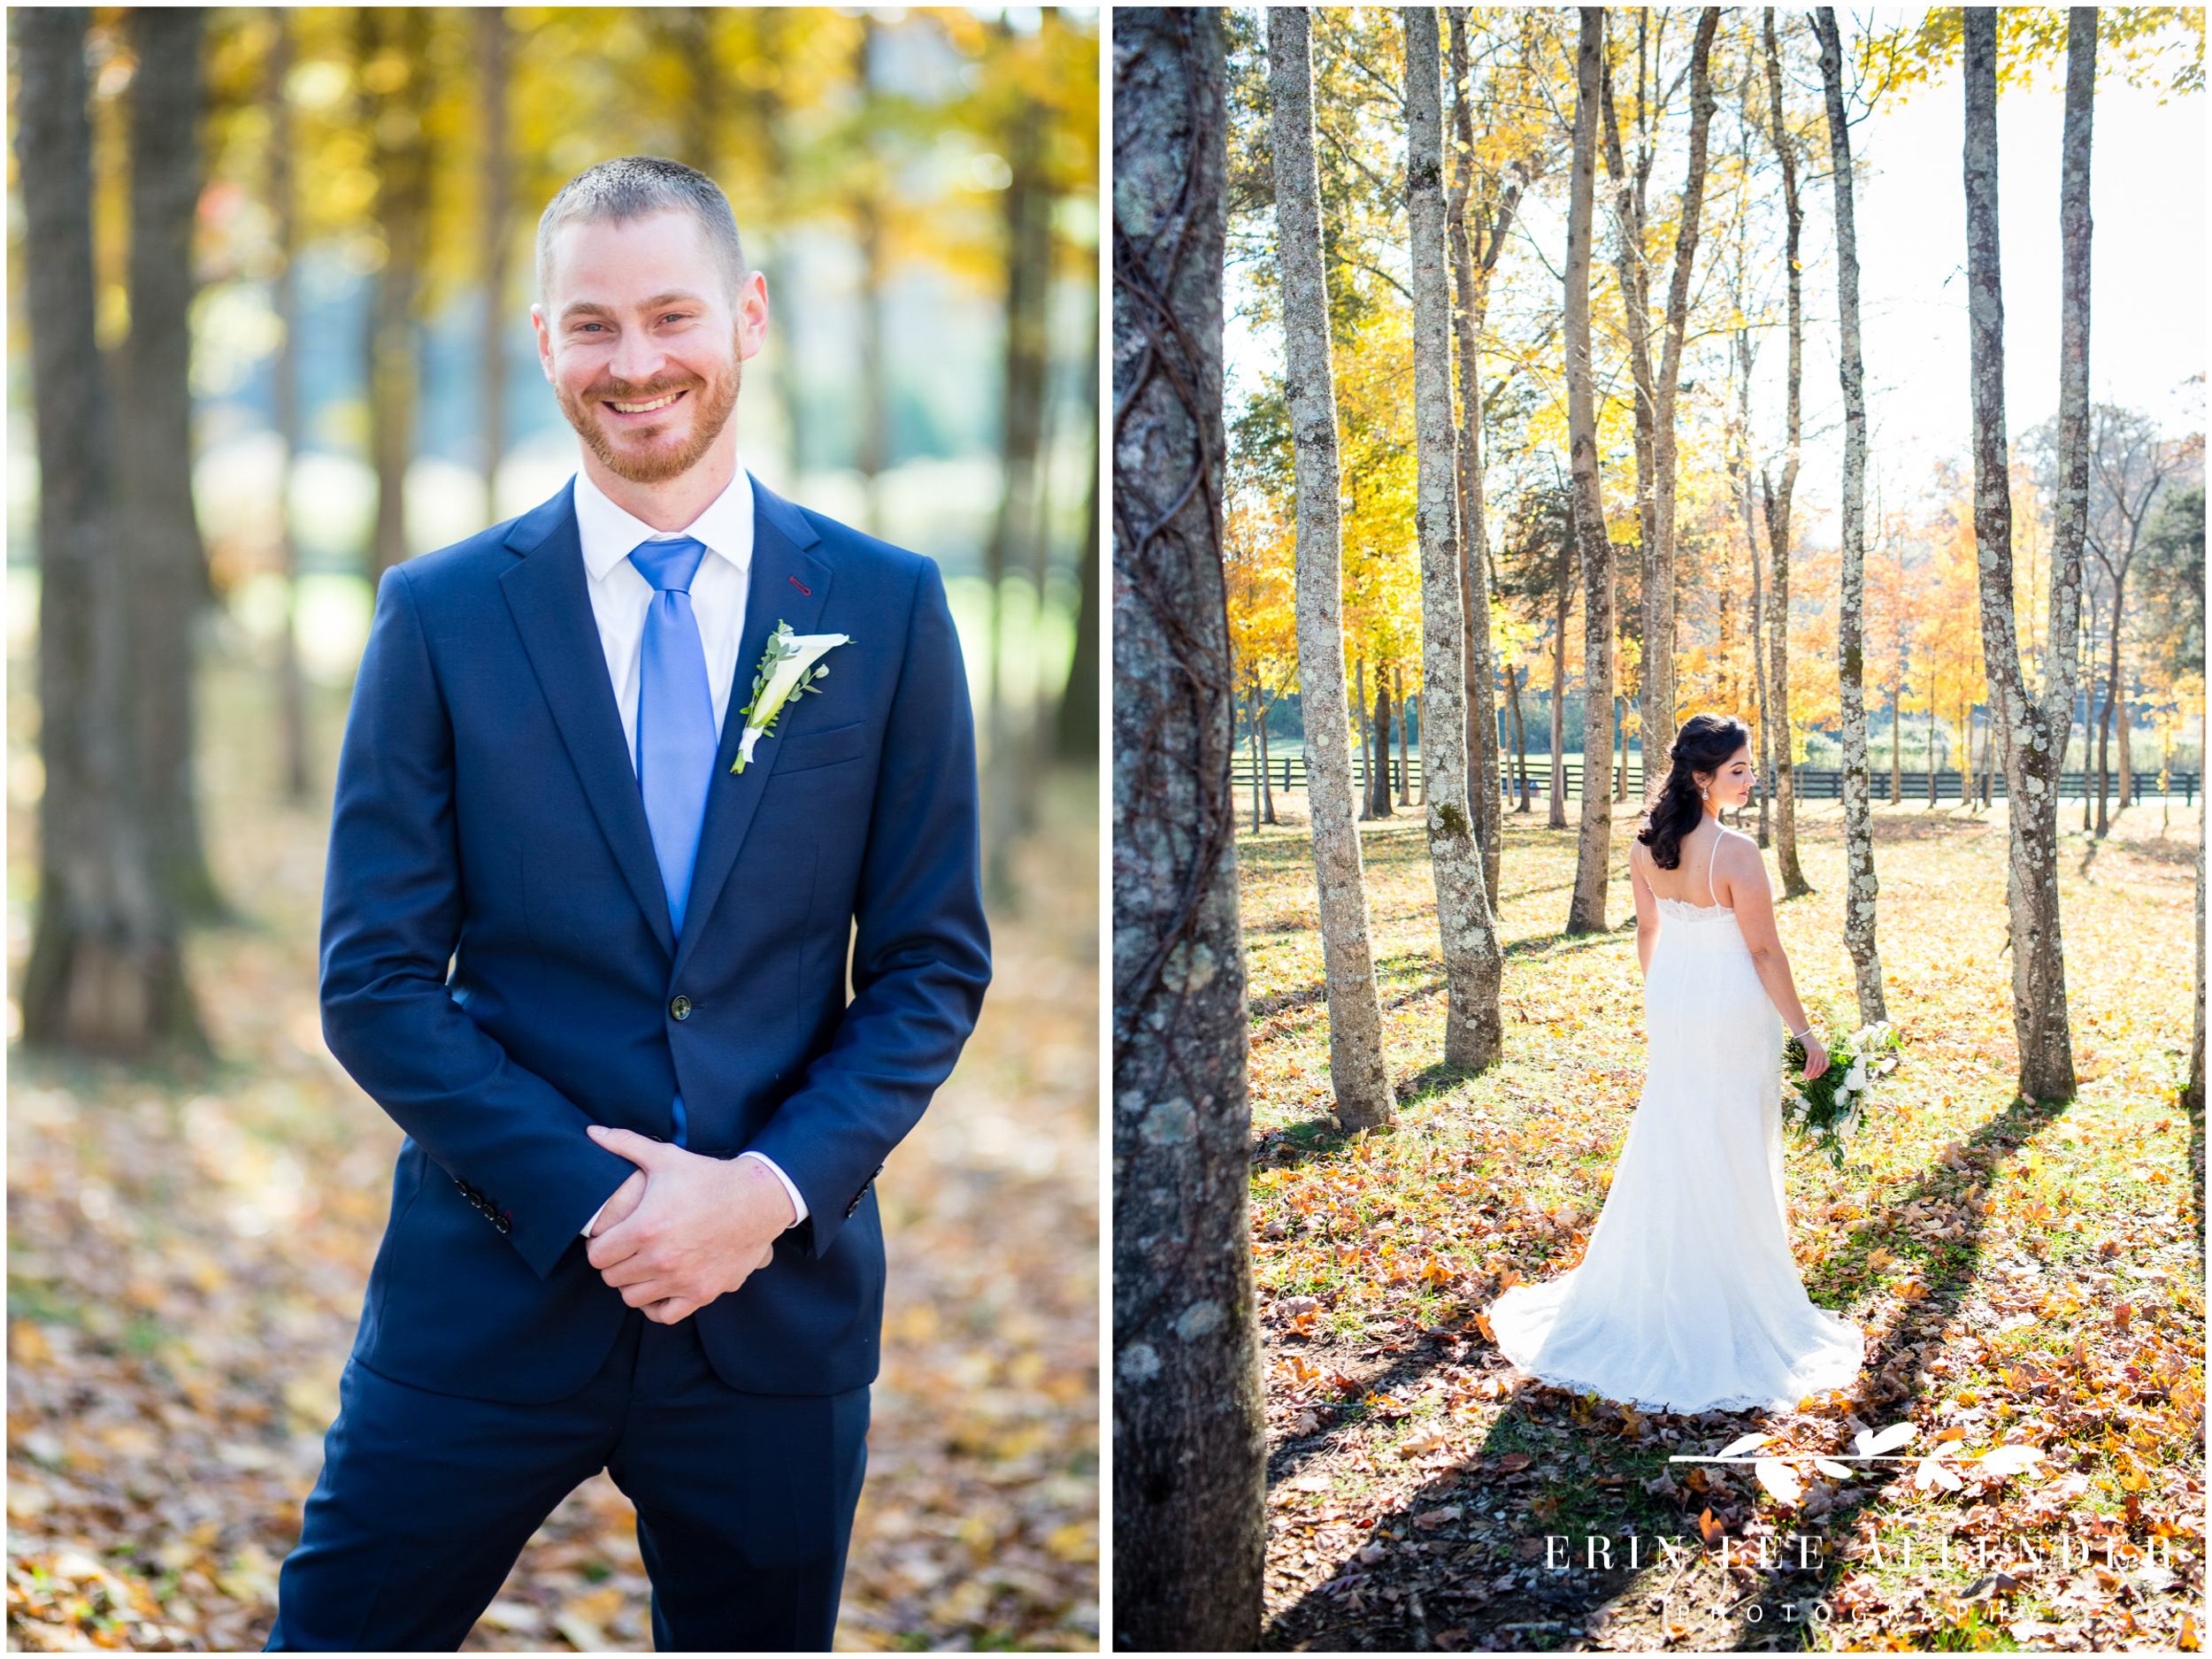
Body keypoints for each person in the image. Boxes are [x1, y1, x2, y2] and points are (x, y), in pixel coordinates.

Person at [268, 157, 990, 1650]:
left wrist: (758, 1196)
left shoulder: (888, 605)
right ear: (545, 343)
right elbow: (374, 981)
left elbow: (929, 965)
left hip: (772, 1319)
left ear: (748, 315)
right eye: (592, 326)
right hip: (488, 1294)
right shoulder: (442, 612)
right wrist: (608, 1204)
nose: (637, 362)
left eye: (672, 315)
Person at [1486, 713, 1863, 1415]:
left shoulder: (1645, 845)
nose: (1751, 780)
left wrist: (1662, 1001)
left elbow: (1650, 932)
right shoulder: (1736, 853)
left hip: (1676, 998)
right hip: (1729, 1005)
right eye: (1739, 771)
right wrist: (1805, 1031)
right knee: (1730, 1140)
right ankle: (1726, 1291)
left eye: (1751, 767)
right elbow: (1763, 953)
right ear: (1702, 777)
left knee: (1677, 1132)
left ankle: (1673, 1278)